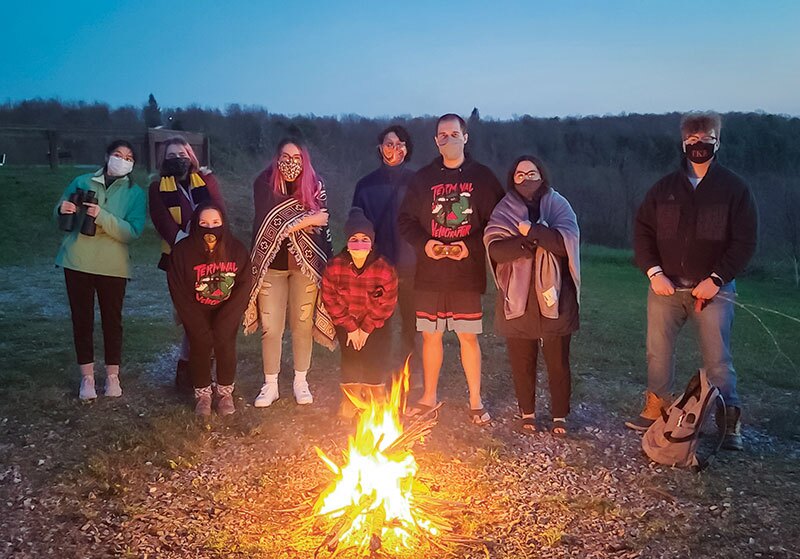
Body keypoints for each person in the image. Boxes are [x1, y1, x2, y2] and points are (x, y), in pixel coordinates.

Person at [627, 111, 758, 451]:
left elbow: (744, 242)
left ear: (718, 141)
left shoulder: (734, 189)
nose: (699, 145)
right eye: (692, 140)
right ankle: (658, 407)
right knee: (657, 353)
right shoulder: (664, 189)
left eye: (706, 139)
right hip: (666, 288)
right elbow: (643, 232)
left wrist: (717, 278)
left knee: (717, 359)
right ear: (683, 143)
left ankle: (729, 422)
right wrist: (654, 272)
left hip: (713, 291)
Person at [398, 113, 504, 424]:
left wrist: (469, 246)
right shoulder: (422, 179)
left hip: (465, 274)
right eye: (442, 135)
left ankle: (475, 400)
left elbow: (496, 222)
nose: (448, 139)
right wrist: (425, 244)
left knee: (467, 337)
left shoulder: (482, 177)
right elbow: (405, 221)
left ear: (465, 137)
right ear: (436, 141)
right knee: (430, 336)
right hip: (429, 274)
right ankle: (429, 397)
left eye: (454, 133)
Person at [484, 156, 580, 436]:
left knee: (558, 361)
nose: (526, 178)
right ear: (511, 179)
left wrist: (533, 231)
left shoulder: (559, 205)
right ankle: (528, 413)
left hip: (556, 296)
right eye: (520, 174)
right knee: (521, 359)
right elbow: (496, 249)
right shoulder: (503, 210)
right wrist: (528, 243)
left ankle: (560, 415)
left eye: (532, 172)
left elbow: (566, 244)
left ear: (542, 175)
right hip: (517, 298)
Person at [244, 138, 334, 408]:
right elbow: (270, 221)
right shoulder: (263, 183)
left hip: (304, 268)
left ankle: (300, 381)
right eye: (285, 156)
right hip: (271, 267)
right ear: (276, 157)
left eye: (296, 157)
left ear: (304, 159)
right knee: (271, 329)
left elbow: (325, 224)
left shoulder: (316, 185)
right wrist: (308, 219)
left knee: (302, 326)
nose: (290, 162)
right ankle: (270, 384)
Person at [54, 140, 146, 400]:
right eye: (118, 155)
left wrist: (101, 216)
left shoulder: (135, 193)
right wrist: (62, 209)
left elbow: (132, 232)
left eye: (128, 158)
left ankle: (112, 376)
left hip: (113, 265)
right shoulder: (83, 181)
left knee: (112, 321)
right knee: (81, 319)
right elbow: (59, 216)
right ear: (106, 156)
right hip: (77, 260)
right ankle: (87, 378)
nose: (122, 160)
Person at [148, 136, 226, 393]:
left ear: (191, 156)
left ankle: (200, 373)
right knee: (191, 318)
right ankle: (189, 375)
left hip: (210, 257)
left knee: (209, 315)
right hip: (178, 259)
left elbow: (219, 212)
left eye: (182, 154)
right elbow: (162, 221)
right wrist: (185, 244)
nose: (177, 159)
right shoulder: (157, 186)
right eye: (171, 156)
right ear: (163, 160)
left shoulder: (206, 180)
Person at [167, 203, 251, 417]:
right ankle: (203, 394)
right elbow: (178, 289)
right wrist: (194, 321)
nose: (210, 228)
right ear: (196, 224)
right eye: (203, 223)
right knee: (199, 344)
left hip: (226, 308)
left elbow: (243, 285)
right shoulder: (182, 251)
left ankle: (225, 392)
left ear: (223, 223)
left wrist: (228, 318)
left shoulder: (237, 250)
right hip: (195, 308)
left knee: (225, 344)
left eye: (215, 223)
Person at [321, 208, 399, 420]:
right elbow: (330, 298)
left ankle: (377, 401)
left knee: (375, 359)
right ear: (347, 242)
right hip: (347, 324)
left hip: (375, 324)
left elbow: (387, 302)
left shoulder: (384, 268)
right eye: (354, 239)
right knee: (350, 360)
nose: (359, 244)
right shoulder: (335, 266)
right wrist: (352, 327)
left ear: (371, 242)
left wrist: (365, 329)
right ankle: (350, 400)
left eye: (365, 239)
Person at [352, 126, 417, 369]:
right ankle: (377, 377)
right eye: (389, 143)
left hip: (413, 267)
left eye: (401, 143)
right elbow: (356, 223)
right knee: (378, 324)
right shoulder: (365, 185)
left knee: (413, 326)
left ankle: (410, 377)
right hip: (378, 268)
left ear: (407, 149)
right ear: (380, 148)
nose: (395, 148)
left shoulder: (418, 182)